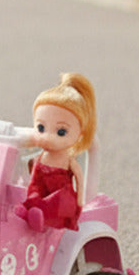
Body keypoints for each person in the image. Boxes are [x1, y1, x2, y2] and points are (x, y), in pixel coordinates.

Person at [15, 73, 97, 232]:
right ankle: (32, 212)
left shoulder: (69, 162)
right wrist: (32, 194)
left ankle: (38, 215)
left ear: (79, 134)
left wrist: (80, 204)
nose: (47, 138)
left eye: (61, 132)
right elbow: (35, 181)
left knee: (58, 200)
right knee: (34, 195)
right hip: (42, 192)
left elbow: (79, 181)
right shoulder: (41, 158)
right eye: (41, 128)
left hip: (61, 197)